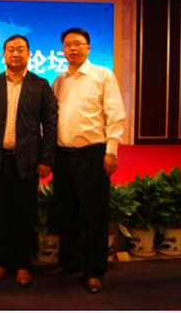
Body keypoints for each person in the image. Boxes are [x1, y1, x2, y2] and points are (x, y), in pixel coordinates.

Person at [0, 34, 57, 287]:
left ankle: (23, 264)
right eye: (10, 49)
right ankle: (1, 262)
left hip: (28, 162)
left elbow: (50, 125)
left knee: (25, 214)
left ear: (29, 54)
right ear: (3, 54)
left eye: (20, 49)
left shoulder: (40, 85)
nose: (15, 54)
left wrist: (46, 159)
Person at [52, 27, 126, 294]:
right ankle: (69, 262)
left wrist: (111, 151)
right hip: (63, 156)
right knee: (67, 212)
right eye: (68, 44)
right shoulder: (59, 81)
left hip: (93, 154)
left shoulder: (102, 75)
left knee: (94, 214)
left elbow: (115, 114)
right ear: (63, 49)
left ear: (88, 47)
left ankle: (94, 270)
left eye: (78, 44)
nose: (72, 48)